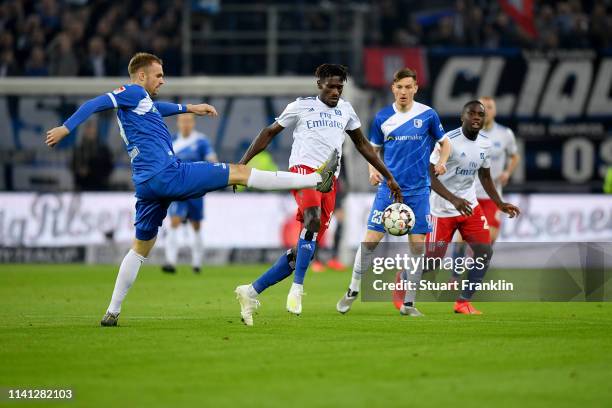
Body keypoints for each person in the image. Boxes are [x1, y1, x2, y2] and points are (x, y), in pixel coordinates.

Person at [45, 52, 341, 327]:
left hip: (147, 186)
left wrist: (190, 108)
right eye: (158, 75)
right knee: (238, 172)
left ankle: (112, 311)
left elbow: (156, 109)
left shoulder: (139, 103)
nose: (162, 80)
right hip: (168, 174)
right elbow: (94, 104)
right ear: (140, 77)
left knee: (141, 248)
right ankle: (316, 179)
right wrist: (66, 128)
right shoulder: (132, 91)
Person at [234, 64, 402, 326]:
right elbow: (268, 133)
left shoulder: (346, 110)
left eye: (339, 87)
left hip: (329, 180)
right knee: (311, 221)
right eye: (331, 86)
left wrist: (388, 175)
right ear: (319, 84)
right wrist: (242, 164)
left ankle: (251, 291)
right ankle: (297, 289)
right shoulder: (300, 106)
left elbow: (362, 145)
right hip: (302, 172)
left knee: (302, 251)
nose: (336, 91)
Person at [336, 67, 451, 317]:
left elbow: (446, 143)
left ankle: (408, 304)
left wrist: (442, 162)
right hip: (389, 189)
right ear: (393, 88)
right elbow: (372, 150)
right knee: (370, 241)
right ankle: (353, 289)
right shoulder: (382, 117)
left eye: (408, 87)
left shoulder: (428, 115)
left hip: (419, 191)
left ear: (415, 88)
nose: (404, 92)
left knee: (418, 247)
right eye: (399, 87)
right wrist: (371, 170)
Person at [426, 100, 520, 315]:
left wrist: (499, 203)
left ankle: (463, 302)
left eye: (481, 114)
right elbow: (430, 176)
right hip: (442, 210)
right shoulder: (448, 141)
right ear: (463, 117)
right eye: (472, 113)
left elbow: (485, 175)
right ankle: (403, 279)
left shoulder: (485, 144)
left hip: (470, 207)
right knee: (431, 264)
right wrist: (453, 199)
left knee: (485, 251)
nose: (477, 117)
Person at [162, 113, 218, 274]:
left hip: (196, 190)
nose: (185, 124)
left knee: (196, 224)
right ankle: (170, 261)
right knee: (174, 221)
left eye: (188, 121)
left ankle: (197, 263)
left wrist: (215, 171)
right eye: (183, 121)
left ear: (193, 123)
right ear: (178, 123)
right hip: (178, 190)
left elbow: (212, 158)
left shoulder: (201, 140)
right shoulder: (172, 141)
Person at [70, 120, 114, 191]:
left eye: (92, 129)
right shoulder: (79, 150)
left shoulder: (103, 150)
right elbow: (73, 166)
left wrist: (94, 172)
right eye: (88, 129)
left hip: (100, 188)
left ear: (96, 131)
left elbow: (109, 167)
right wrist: (79, 171)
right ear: (84, 131)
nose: (90, 131)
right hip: (82, 188)